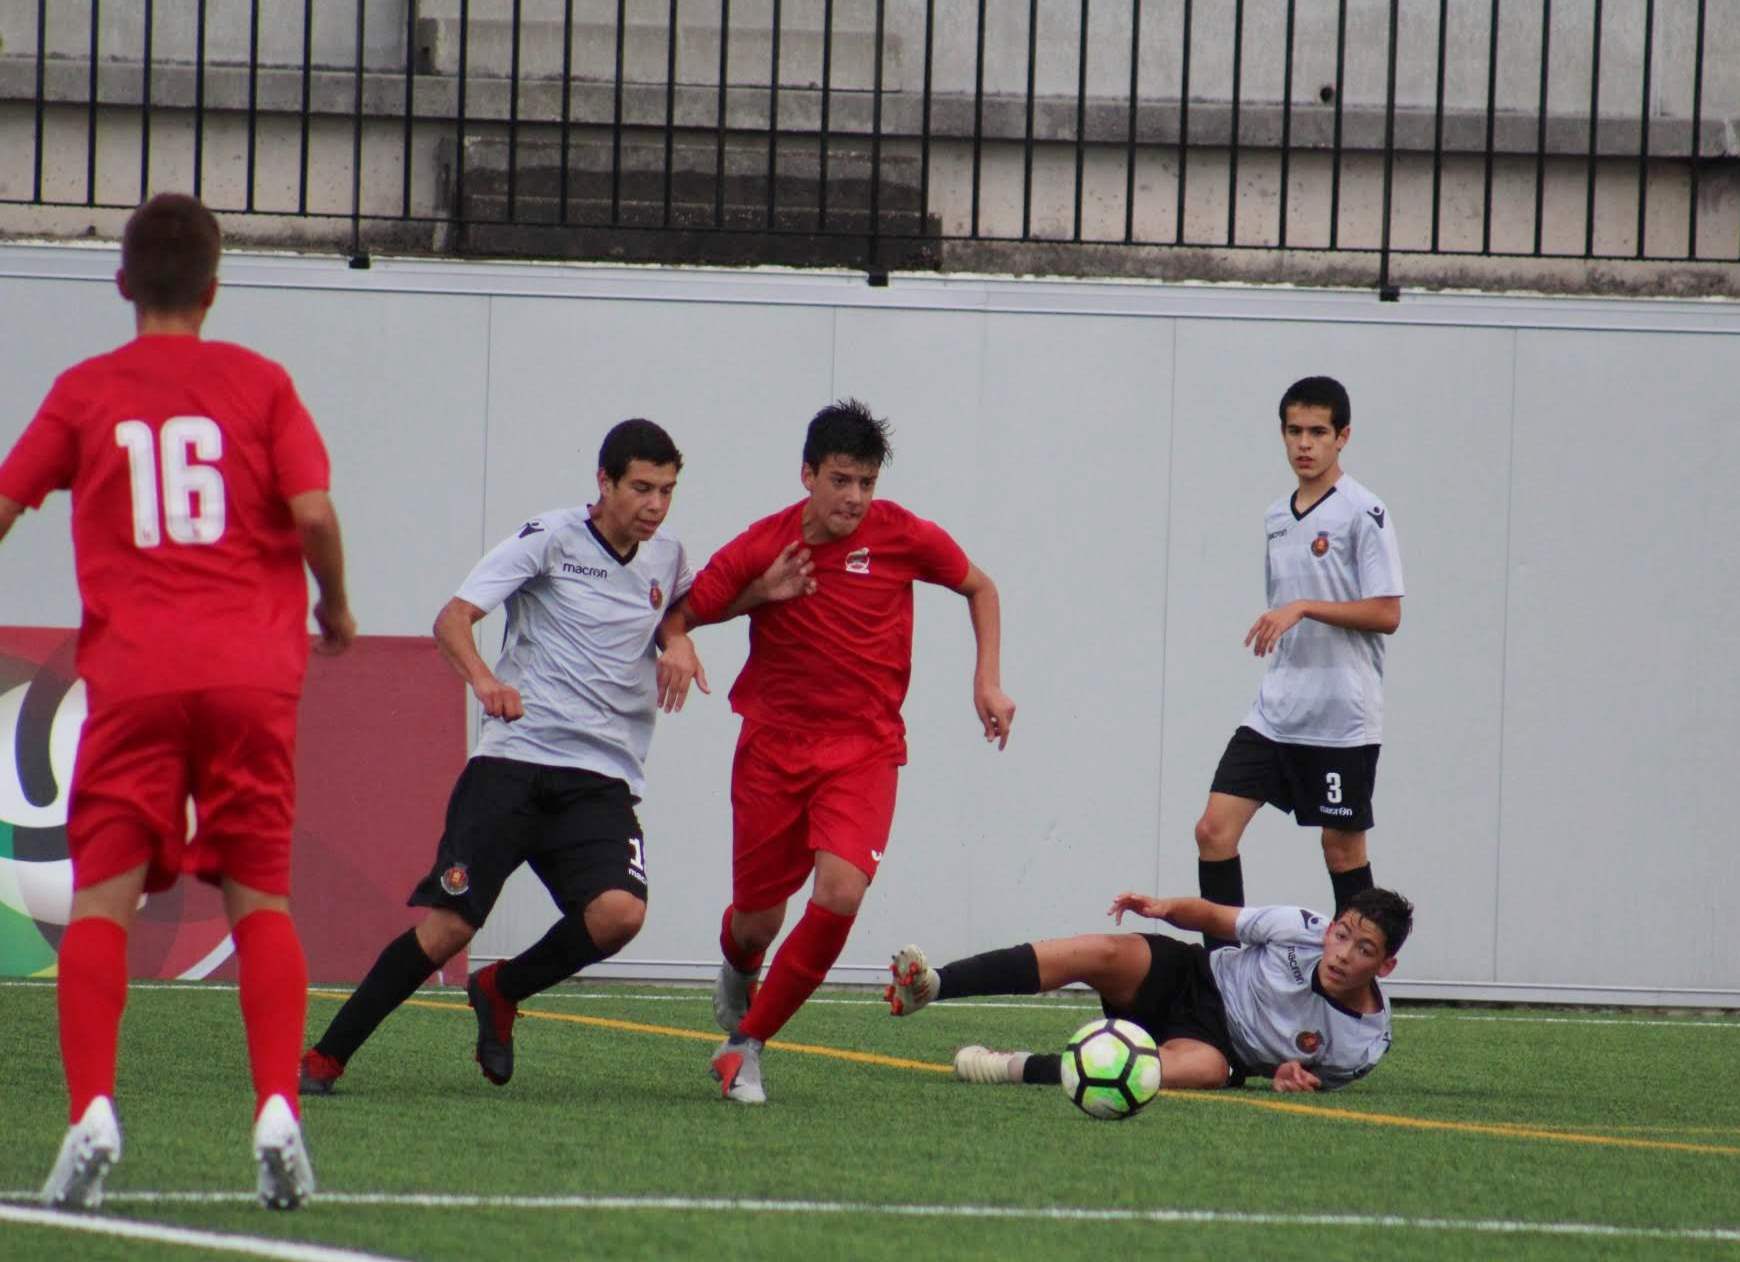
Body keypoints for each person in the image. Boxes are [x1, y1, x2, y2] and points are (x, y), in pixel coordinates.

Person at [0, 192, 355, 1210]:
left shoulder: (85, 391)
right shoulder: (260, 383)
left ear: (122, 282)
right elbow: (316, 511)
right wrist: (334, 603)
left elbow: (6, 501)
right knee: (262, 902)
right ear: (214, 284)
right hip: (251, 677)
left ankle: (93, 1109)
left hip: (137, 678)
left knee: (104, 897)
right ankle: (278, 1107)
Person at [300, 419, 712, 1095]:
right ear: (603, 482)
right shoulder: (550, 538)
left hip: (601, 780)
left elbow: (677, 603)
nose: (655, 505)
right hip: (515, 765)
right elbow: (453, 618)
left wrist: (680, 642)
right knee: (449, 928)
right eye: (641, 487)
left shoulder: (666, 557)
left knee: (620, 914)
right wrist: (486, 682)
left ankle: (502, 989)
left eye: (667, 490)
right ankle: (326, 1057)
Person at [657, 398, 1017, 1105]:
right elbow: (683, 613)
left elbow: (980, 585)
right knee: (757, 919)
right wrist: (710, 622)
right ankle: (739, 966)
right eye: (842, 480)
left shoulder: (901, 535)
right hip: (772, 750)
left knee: (841, 892)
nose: (855, 498)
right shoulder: (764, 546)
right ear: (808, 475)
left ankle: (745, 1046)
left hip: (864, 751)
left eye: (866, 483)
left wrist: (988, 680)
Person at [1196, 376, 1403, 944]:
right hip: (1277, 712)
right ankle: (1225, 971)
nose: (1304, 444)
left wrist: (1305, 607)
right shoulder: (1277, 516)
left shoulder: (1365, 512)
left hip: (1341, 718)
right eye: (1294, 431)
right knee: (1214, 831)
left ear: (1343, 437)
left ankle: (1358, 978)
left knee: (1341, 849)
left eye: (1318, 432)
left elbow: (1387, 613)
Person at [886, 887, 1413, 1094]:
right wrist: (1166, 909)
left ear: (1384, 966)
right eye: (1341, 935)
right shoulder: (1297, 925)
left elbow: (1301, 1082)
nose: (1343, 953)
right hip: (1195, 976)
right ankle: (935, 985)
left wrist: (1284, 1076)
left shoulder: (1362, 1045)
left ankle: (1005, 1065)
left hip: (1221, 1049)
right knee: (1102, 951)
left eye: (1363, 949)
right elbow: (1217, 918)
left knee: (1182, 1073)